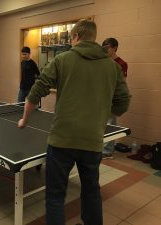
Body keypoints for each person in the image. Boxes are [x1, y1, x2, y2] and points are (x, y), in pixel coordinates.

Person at [18, 20, 130, 225]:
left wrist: (24, 119)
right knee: (91, 190)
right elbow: (123, 103)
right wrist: (100, 116)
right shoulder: (112, 66)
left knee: (55, 195)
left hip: (62, 140)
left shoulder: (63, 59)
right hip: (92, 140)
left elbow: (36, 92)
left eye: (71, 38)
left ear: (76, 36)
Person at [102, 38, 128, 159]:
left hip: (112, 99)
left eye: (108, 47)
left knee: (110, 124)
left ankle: (107, 151)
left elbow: (121, 84)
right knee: (102, 125)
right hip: (101, 98)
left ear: (115, 48)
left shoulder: (121, 63)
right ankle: (103, 148)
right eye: (104, 47)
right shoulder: (103, 62)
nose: (106, 49)